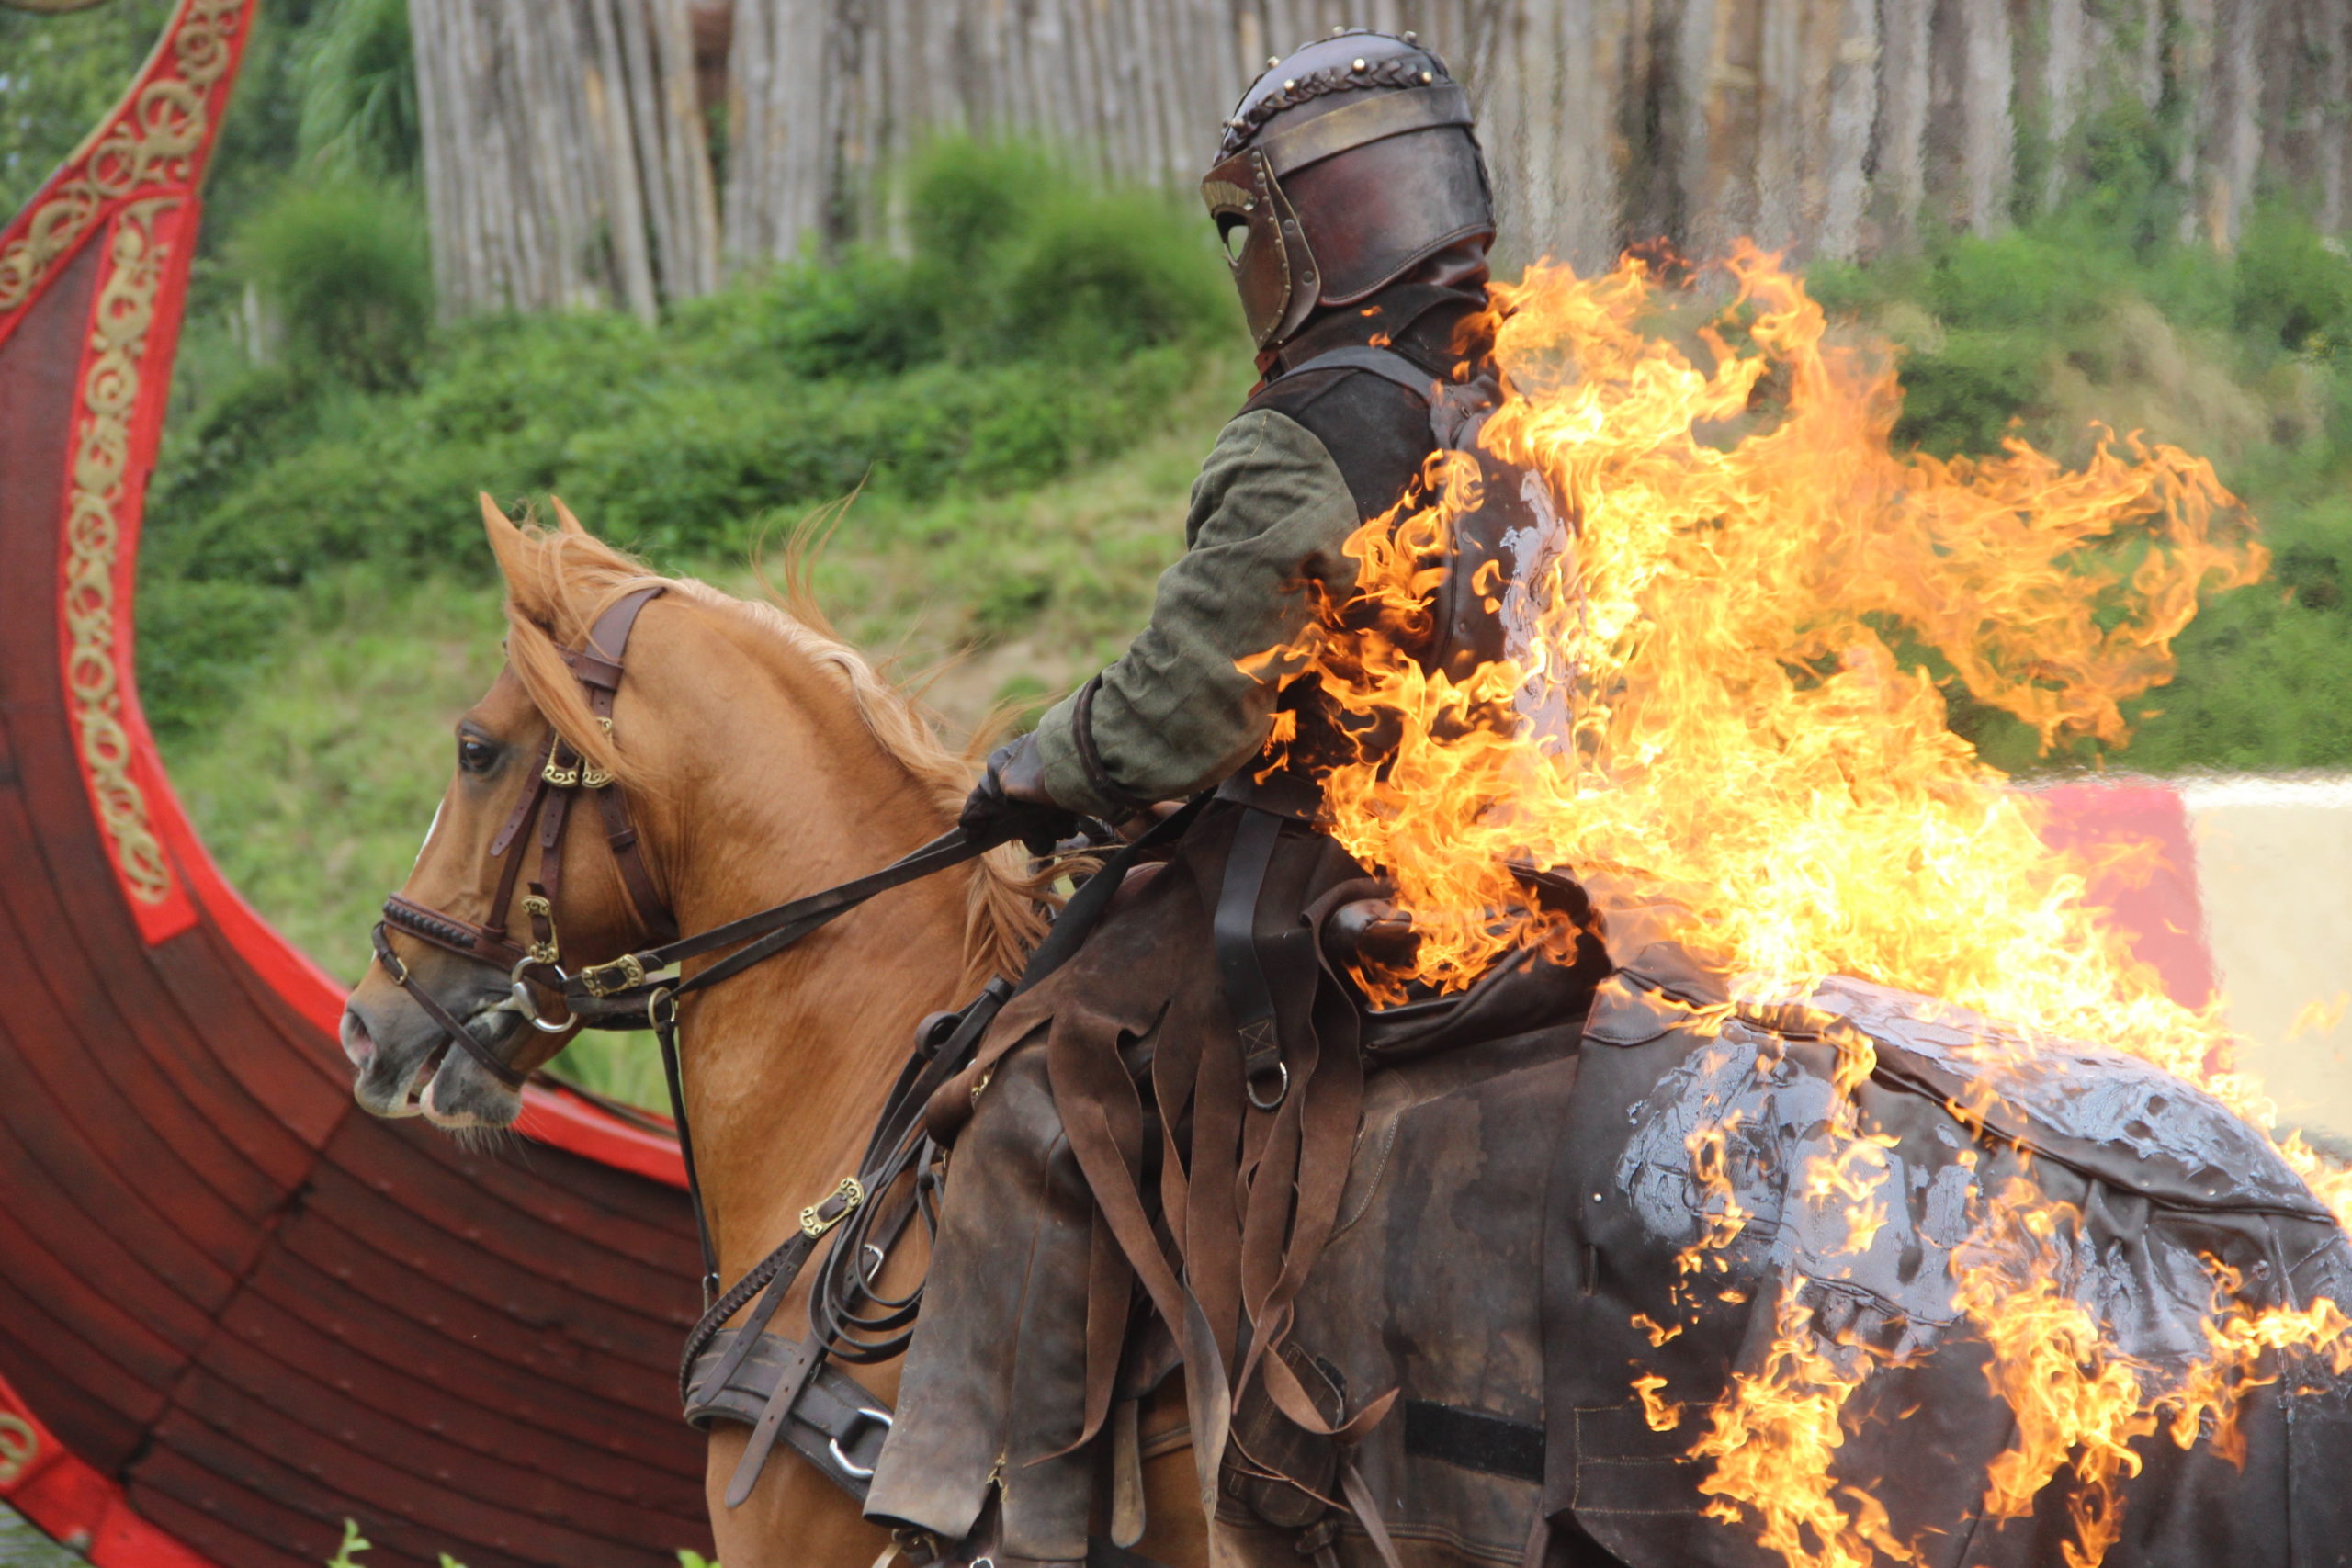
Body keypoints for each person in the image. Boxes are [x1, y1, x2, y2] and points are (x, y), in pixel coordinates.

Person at [863, 29, 1544, 1566]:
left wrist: (1037, 770)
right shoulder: (1515, 411)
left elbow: (1185, 702)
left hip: (1316, 878)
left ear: (1318, 228)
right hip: (1504, 861)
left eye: (1248, 229)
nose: (1239, 259)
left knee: (1034, 1094)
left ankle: (1022, 1534)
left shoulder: (1320, 424)